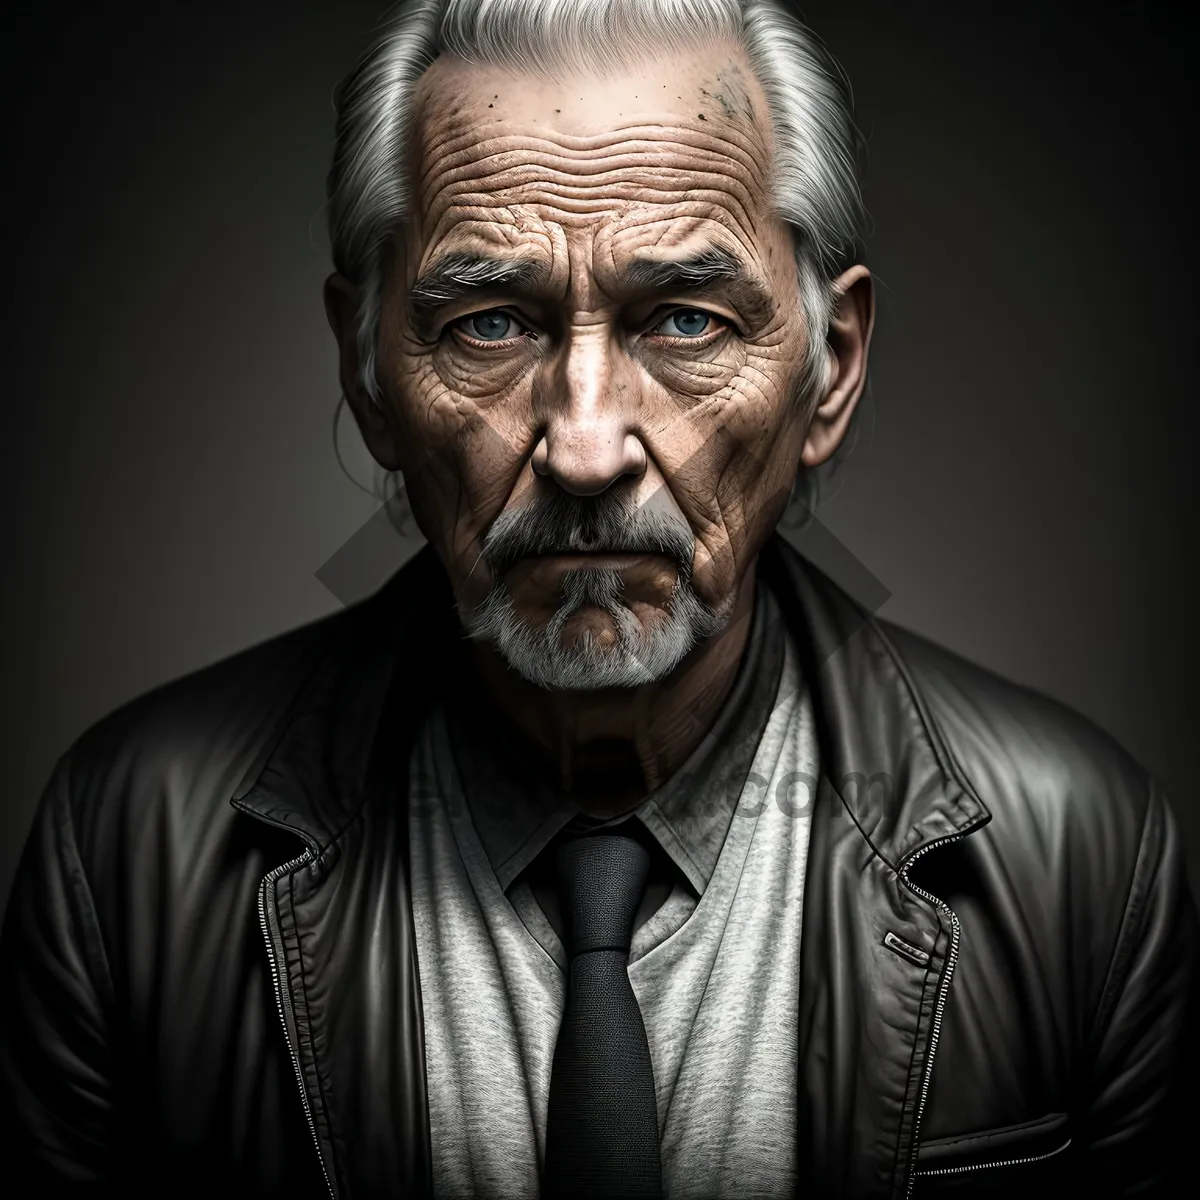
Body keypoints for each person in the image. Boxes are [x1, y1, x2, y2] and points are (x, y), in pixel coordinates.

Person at [2, 1, 1196, 1196]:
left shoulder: (1083, 870)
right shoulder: (127, 860)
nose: (583, 448)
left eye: (682, 318)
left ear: (830, 368)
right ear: (367, 371)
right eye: (487, 323)